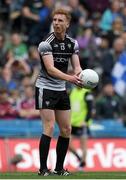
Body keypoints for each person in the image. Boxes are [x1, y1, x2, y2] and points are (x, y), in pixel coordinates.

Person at [35, 8, 83, 176]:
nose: (56, 23)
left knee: (66, 129)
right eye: (54, 20)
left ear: (67, 24)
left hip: (61, 90)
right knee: (49, 126)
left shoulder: (72, 43)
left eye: (60, 20)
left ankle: (59, 168)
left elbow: (76, 66)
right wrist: (71, 79)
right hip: (45, 88)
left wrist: (80, 76)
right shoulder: (45, 43)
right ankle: (42, 169)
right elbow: (51, 69)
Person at [69, 86, 94, 170]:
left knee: (83, 145)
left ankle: (82, 165)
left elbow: (90, 109)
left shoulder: (87, 93)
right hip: (72, 123)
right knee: (67, 144)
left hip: (82, 124)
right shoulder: (72, 91)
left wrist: (86, 121)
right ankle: (80, 159)